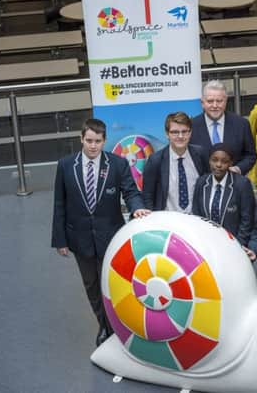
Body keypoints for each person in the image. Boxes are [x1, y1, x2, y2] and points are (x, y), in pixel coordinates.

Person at [51, 119, 150, 346]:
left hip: (110, 236)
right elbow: (59, 203)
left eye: (97, 141)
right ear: (81, 139)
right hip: (79, 238)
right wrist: (60, 240)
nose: (93, 146)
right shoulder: (66, 165)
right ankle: (104, 325)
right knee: (92, 285)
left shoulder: (117, 164)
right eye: (88, 141)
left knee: (110, 283)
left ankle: (113, 327)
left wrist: (138, 208)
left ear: (104, 140)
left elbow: (131, 192)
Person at [192, 143, 256, 261]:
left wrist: (237, 247)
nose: (219, 165)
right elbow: (196, 216)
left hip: (233, 246)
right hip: (206, 247)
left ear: (231, 163)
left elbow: (247, 220)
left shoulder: (242, 184)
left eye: (224, 161)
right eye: (214, 160)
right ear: (209, 161)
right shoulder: (201, 182)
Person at [142, 111, 209, 212]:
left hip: (196, 220)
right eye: (175, 132)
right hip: (167, 221)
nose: (180, 136)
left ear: (190, 132)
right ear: (167, 134)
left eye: (184, 131)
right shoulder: (155, 160)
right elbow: (148, 195)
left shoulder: (200, 153)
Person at [190, 80, 257, 175]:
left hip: (234, 184)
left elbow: (251, 155)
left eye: (219, 101)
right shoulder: (191, 126)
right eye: (210, 101)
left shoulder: (241, 124)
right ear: (202, 103)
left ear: (226, 101)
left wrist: (238, 169)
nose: (215, 105)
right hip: (202, 185)